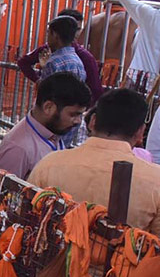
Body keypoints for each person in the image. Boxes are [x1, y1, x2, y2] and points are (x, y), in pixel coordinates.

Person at [29, 88, 160, 234]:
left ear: (92, 122)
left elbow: (27, 217)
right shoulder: (156, 181)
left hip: (54, 255)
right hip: (125, 256)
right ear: (140, 132)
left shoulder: (48, 164)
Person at [0, 73, 92, 179]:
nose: (78, 121)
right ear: (48, 107)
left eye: (81, 115)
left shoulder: (52, 130)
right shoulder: (18, 148)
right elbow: (0, 194)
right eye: (73, 114)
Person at [18, 15, 86, 87]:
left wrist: (40, 78)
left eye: (48, 33)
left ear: (55, 35)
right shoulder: (79, 62)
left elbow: (45, 92)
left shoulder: (52, 63)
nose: (47, 37)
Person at [117, 0, 160, 79]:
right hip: (144, 77)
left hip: (142, 77)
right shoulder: (151, 15)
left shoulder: (151, 15)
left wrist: (148, 0)